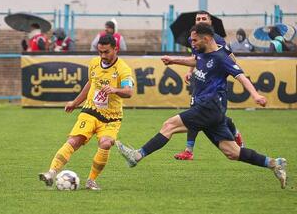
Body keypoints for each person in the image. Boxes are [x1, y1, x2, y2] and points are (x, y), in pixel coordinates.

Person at [116, 23, 287, 189]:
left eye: (195, 40)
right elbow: (195, 60)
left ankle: (137, 155)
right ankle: (273, 163)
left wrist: (256, 95)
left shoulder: (221, 58)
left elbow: (240, 76)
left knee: (169, 125)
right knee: (232, 152)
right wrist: (173, 60)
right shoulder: (202, 52)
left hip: (209, 106)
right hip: (211, 111)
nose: (192, 44)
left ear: (206, 39)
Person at [39, 34, 134, 190]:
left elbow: (129, 92)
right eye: (100, 52)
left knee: (106, 143)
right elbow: (90, 84)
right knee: (74, 141)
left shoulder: (123, 69)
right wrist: (75, 102)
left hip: (112, 118)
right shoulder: (94, 63)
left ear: (116, 49)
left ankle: (91, 181)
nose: (103, 56)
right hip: (90, 111)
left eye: (106, 52)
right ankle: (51, 173)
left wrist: (115, 90)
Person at [174, 10, 244, 161]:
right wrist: (189, 71)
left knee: (214, 117)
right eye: (198, 18)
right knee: (195, 112)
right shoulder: (193, 38)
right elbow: (197, 57)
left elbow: (231, 58)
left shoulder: (218, 40)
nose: (200, 20)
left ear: (210, 22)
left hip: (215, 87)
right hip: (201, 83)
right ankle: (189, 150)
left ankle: (234, 133)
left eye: (204, 18)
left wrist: (230, 67)